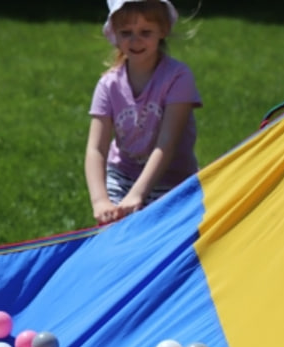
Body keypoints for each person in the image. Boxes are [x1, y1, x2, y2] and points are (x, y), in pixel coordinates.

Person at [84, 0, 202, 225]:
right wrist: (100, 201)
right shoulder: (108, 85)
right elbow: (96, 149)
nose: (135, 40)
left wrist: (138, 194)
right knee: (114, 236)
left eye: (145, 32)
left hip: (172, 179)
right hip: (122, 175)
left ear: (163, 30)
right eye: (126, 32)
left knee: (162, 243)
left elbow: (165, 145)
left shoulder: (178, 77)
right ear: (114, 34)